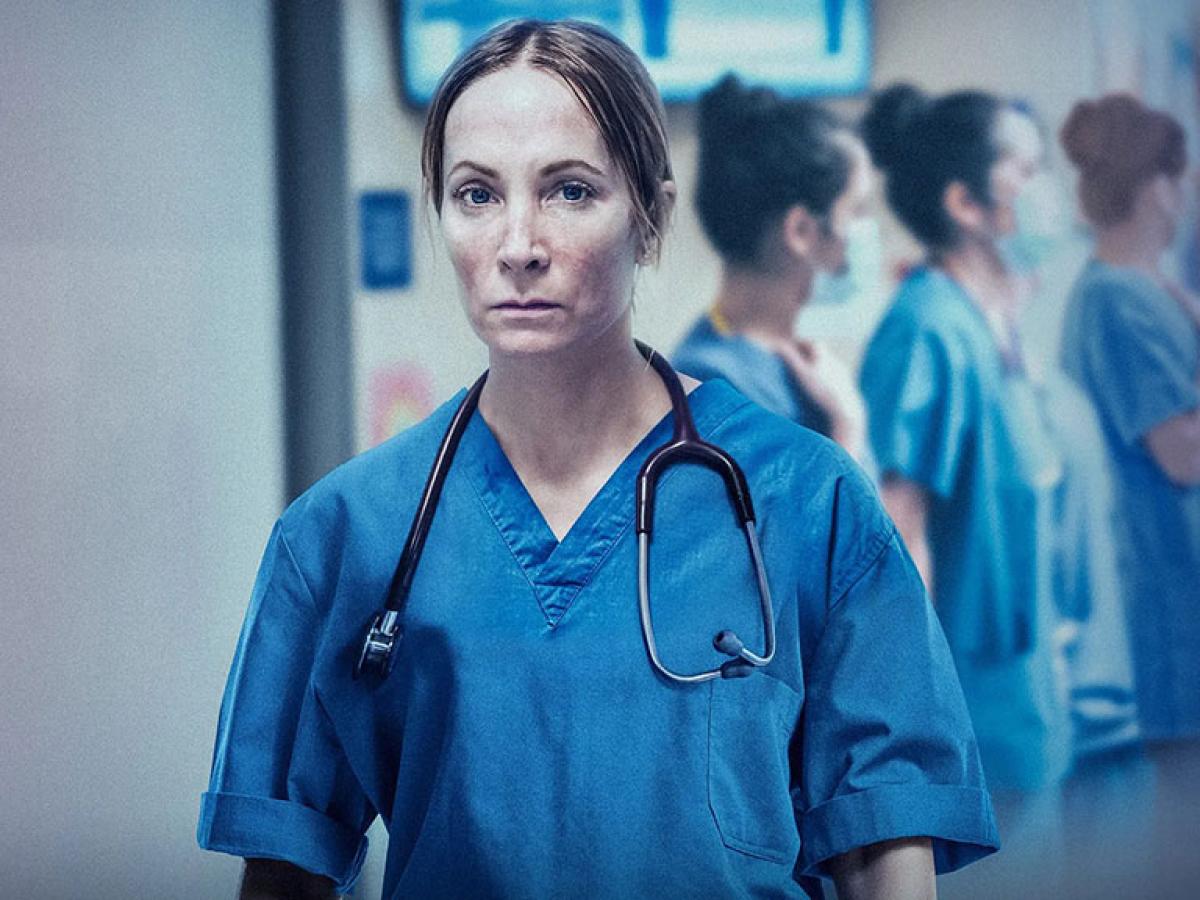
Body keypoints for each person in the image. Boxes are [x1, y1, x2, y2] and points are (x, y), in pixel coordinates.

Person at [197, 21, 997, 899]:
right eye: (476, 195)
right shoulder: (345, 534)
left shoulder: (808, 502)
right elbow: (282, 870)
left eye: (570, 191)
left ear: (649, 217)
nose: (518, 243)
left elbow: (884, 850)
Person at [858, 84, 1072, 895]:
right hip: (972, 745)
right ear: (966, 202)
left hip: (1024, 720)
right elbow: (891, 548)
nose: (1046, 185)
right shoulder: (929, 331)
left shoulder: (998, 325)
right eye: (1027, 168)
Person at [1058, 93, 1200, 889]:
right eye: (1181, 183)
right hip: (1168, 610)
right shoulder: (1119, 298)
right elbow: (1183, 452)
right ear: (1157, 188)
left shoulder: (1145, 291)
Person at [673, 74, 872, 460]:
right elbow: (798, 522)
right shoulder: (711, 391)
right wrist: (849, 429)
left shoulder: (803, 364)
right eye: (857, 211)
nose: (866, 234)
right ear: (800, 231)